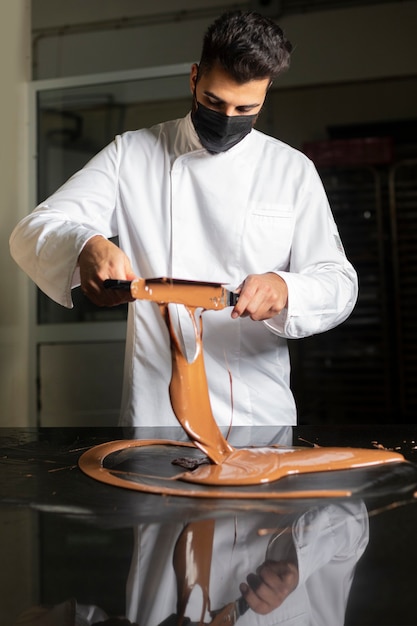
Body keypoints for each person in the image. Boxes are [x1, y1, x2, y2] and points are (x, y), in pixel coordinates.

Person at [10, 10, 358, 429]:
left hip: (256, 413)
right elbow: (33, 229)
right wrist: (86, 244)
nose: (227, 118)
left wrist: (286, 287)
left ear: (265, 96)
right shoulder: (132, 155)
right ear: (194, 78)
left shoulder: (291, 170)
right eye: (214, 101)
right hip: (156, 411)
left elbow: (338, 282)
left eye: (246, 107)